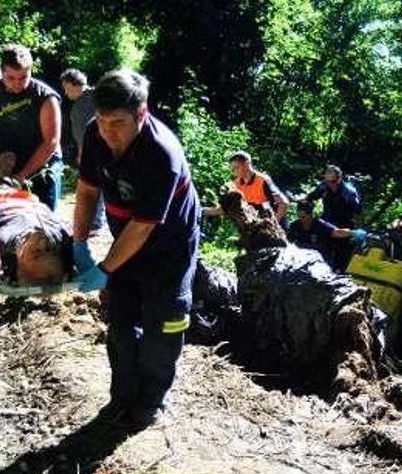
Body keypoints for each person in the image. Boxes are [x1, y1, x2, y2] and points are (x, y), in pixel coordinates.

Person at [72, 69, 200, 428]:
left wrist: (105, 268)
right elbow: (85, 191)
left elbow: (143, 227)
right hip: (126, 236)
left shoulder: (162, 153)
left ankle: (151, 399)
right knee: (122, 320)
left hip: (169, 244)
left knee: (165, 321)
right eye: (101, 120)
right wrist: (79, 243)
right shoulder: (95, 136)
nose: (108, 132)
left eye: (118, 123)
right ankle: (122, 395)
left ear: (141, 115)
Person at [0, 43, 63, 210]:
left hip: (42, 165)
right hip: (9, 162)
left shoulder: (45, 97)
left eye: (23, 77)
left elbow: (51, 142)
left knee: (43, 222)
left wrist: (20, 178)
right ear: (2, 72)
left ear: (30, 71)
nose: (17, 84)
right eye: (10, 78)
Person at [60, 67, 105, 232]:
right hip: (111, 149)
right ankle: (98, 219)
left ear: (73, 85)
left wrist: (81, 154)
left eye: (66, 88)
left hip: (93, 152)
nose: (65, 93)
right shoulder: (99, 95)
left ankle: (96, 221)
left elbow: (82, 136)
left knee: (92, 184)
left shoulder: (79, 106)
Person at [203, 150, 289, 223]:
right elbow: (223, 209)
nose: (234, 172)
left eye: (236, 168)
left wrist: (273, 223)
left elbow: (283, 203)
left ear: (247, 164)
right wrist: (200, 211)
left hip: (275, 225)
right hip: (255, 226)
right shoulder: (234, 185)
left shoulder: (262, 180)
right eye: (232, 170)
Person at [306, 164, 362, 270]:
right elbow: (309, 198)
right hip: (326, 224)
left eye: (333, 182)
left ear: (339, 179)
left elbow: (358, 213)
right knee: (321, 253)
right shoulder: (323, 187)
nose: (330, 185)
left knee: (341, 260)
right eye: (328, 182)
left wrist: (357, 232)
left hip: (344, 226)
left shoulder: (349, 193)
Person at [287, 200, 366, 271]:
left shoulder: (320, 225)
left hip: (321, 264)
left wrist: (354, 233)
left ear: (310, 214)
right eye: (299, 216)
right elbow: (287, 243)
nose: (302, 219)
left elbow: (337, 232)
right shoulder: (294, 226)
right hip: (301, 262)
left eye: (304, 217)